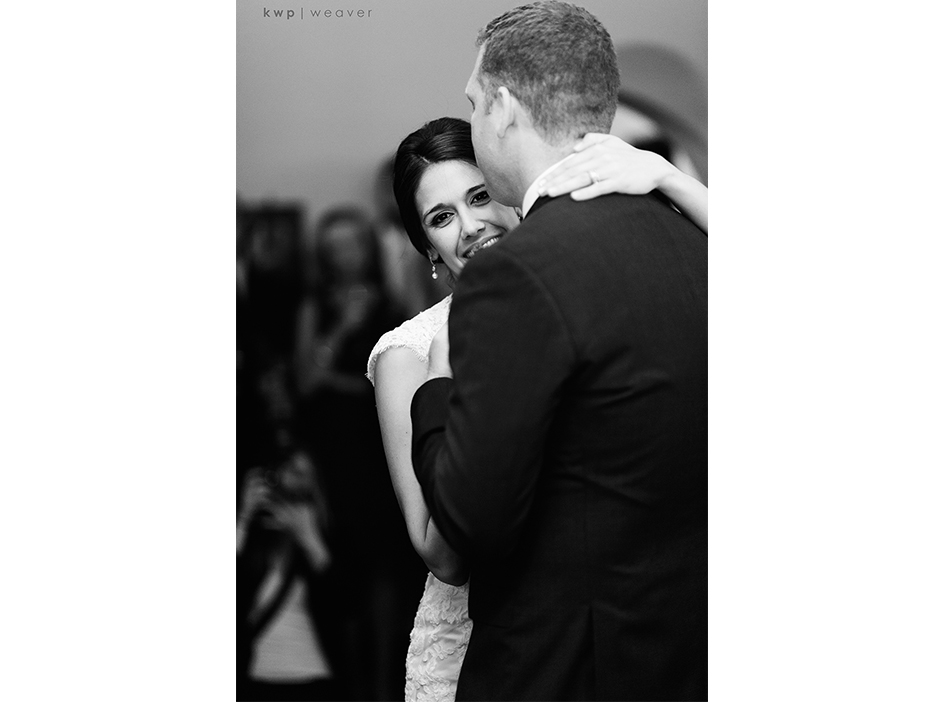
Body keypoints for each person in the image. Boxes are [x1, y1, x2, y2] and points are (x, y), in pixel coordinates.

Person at [408, 2, 707, 700]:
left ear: (504, 108)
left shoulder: (518, 273)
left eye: (474, 104)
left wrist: (437, 389)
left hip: (566, 671)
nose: (474, 121)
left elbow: (472, 524)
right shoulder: (691, 242)